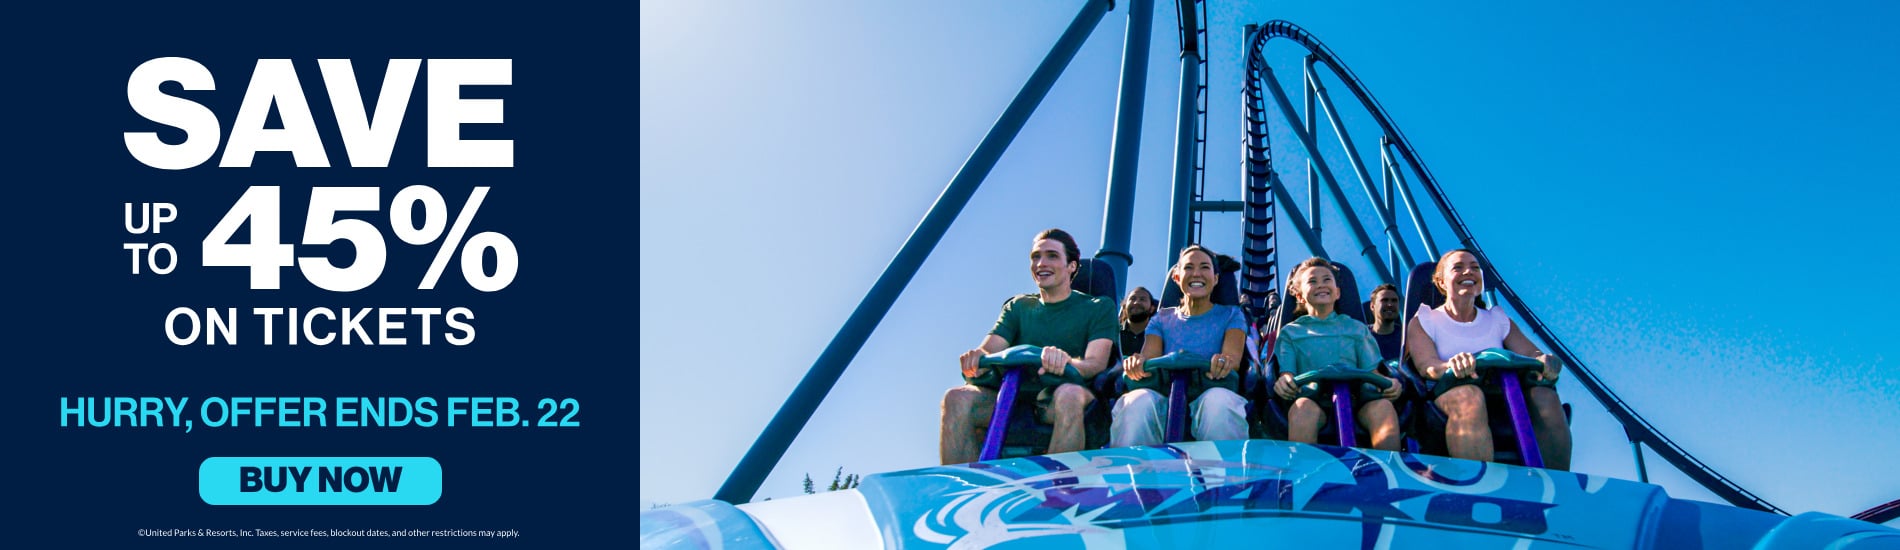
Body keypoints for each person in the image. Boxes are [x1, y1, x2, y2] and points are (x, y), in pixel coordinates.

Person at [939, 229, 1117, 464]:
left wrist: (1067, 363)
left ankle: (1059, 483)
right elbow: (989, 350)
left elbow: (1095, 362)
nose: (1041, 263)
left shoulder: (1098, 306)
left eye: (1052, 255)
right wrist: (977, 359)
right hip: (1011, 397)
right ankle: (967, 482)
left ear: (1072, 266)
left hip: (1060, 396)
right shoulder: (1018, 306)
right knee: (955, 398)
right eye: (1036, 257)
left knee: (1070, 395)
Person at [1404, 249, 1571, 470]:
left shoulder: (1497, 319)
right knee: (1469, 396)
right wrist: (1451, 366)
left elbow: (1532, 354)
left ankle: (1556, 480)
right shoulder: (1425, 320)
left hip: (1504, 393)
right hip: (1449, 394)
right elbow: (1428, 366)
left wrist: (1546, 361)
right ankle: (1478, 479)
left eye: (1475, 268)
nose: (1468, 272)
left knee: (1545, 395)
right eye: (1458, 268)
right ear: (1442, 282)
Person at [1109, 245, 1249, 447]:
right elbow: (1149, 360)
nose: (1196, 273)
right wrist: (1137, 364)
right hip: (1165, 395)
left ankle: (1222, 466)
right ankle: (1133, 465)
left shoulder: (1232, 315)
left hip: (1211, 390)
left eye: (1204, 267)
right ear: (1177, 277)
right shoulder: (1160, 319)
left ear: (1216, 278)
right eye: (1188, 267)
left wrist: (1223, 362)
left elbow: (1232, 359)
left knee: (1219, 404)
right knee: (1136, 402)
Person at [1271, 258, 1404, 450]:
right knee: (1302, 409)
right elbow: (1287, 373)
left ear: (1338, 292)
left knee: (1383, 409)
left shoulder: (1356, 328)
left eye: (1327, 279)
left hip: (1357, 400)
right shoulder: (1290, 333)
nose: (1321, 285)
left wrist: (1390, 383)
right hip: (1313, 398)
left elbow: (1372, 372)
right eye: (1312, 281)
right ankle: (1304, 465)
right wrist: (1284, 382)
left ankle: (1388, 465)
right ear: (1299, 296)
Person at [1367, 283, 1403, 363]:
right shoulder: (1362, 336)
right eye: (1384, 300)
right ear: (1372, 306)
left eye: (1394, 301)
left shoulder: (1406, 337)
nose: (1390, 304)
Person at [1118, 287, 1156, 359]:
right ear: (1124, 307)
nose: (1136, 302)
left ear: (1152, 309)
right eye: (1132, 299)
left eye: (1142, 299)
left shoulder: (1158, 336)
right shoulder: (1113, 332)